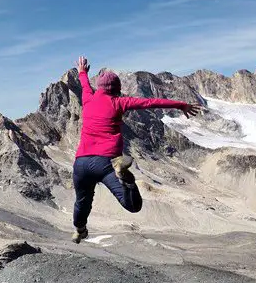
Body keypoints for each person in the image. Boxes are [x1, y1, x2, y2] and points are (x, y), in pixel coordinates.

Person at [71, 55, 202, 243]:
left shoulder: (88, 98)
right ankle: (128, 179)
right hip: (106, 162)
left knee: (81, 202)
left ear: (98, 87)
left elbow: (84, 84)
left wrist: (82, 71)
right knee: (133, 206)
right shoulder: (119, 102)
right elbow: (151, 103)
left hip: (81, 163)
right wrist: (181, 105)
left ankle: (79, 230)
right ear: (117, 89)